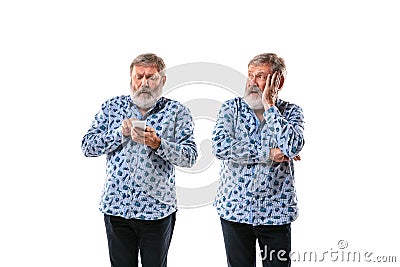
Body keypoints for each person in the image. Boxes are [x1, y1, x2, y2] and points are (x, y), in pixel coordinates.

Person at [81, 53, 198, 267]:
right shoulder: (111, 107)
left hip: (157, 212)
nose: (144, 83)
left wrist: (158, 143)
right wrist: (120, 133)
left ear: (162, 80)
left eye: (151, 77)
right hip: (117, 208)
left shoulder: (177, 112)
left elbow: (190, 157)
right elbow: (87, 146)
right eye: (139, 76)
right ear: (131, 79)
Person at [212, 53, 305, 267]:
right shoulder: (231, 108)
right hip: (234, 209)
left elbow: (293, 146)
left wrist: (270, 106)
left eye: (260, 76)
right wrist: (269, 154)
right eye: (250, 75)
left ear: (278, 81)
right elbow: (220, 147)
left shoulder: (291, 112)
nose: (252, 82)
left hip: (276, 211)